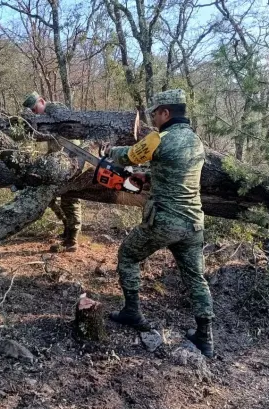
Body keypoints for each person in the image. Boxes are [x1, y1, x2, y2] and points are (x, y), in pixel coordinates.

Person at [104, 89, 214, 358]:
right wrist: (147, 177)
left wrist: (108, 151)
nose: (153, 118)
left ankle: (132, 312)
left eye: (155, 113)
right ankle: (205, 337)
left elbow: (129, 156)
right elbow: (175, 173)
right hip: (193, 224)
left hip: (166, 220)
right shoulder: (196, 141)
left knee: (128, 255)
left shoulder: (159, 138)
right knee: (195, 278)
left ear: (166, 113)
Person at [23, 91, 82, 253]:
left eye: (35, 109)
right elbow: (53, 145)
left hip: (72, 159)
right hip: (59, 162)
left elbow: (67, 136)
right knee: (52, 196)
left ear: (42, 101)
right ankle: (67, 229)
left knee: (70, 199)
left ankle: (72, 240)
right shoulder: (46, 117)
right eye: (33, 112)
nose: (35, 114)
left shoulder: (55, 109)